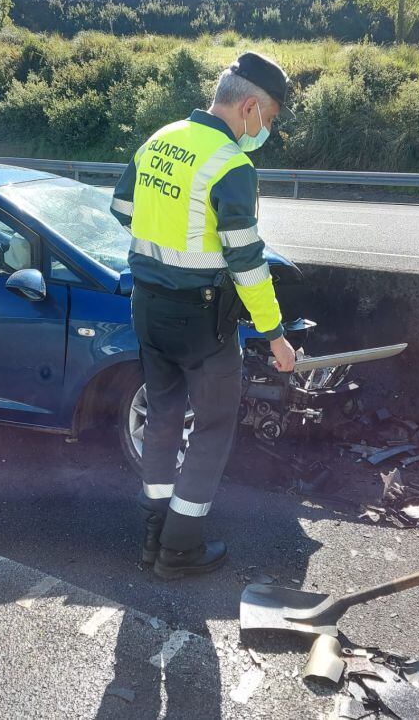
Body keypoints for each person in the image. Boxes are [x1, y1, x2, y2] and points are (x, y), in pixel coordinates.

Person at [110, 52, 297, 580]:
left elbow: (122, 210)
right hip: (201, 319)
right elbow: (247, 261)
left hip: (147, 307)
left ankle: (152, 538)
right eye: (270, 119)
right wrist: (275, 335)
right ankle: (180, 548)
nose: (267, 130)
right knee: (212, 426)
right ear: (250, 106)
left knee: (164, 419)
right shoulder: (231, 165)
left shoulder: (159, 139)